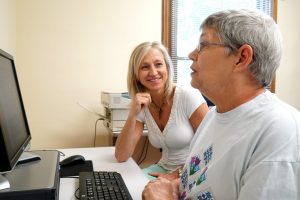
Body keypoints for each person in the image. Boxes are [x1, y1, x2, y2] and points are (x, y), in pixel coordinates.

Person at [142, 9, 300, 199]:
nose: (192, 54)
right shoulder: (213, 116)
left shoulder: (279, 131)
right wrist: (175, 184)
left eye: (203, 45)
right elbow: (202, 177)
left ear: (241, 58)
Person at [115, 41, 209, 180]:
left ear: (167, 67)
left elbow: (211, 148)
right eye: (145, 67)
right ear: (136, 74)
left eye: (158, 64)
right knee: (126, 187)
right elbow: (121, 155)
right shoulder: (143, 103)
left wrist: (175, 176)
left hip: (193, 172)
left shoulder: (187, 95)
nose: (153, 72)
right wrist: (132, 114)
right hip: (163, 169)